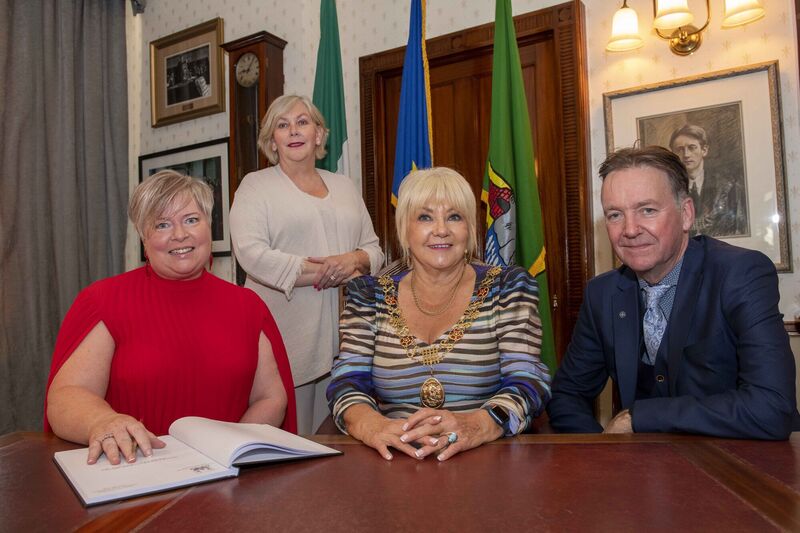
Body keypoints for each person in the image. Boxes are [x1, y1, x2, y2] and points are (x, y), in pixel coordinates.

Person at [45, 170, 297, 465]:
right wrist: (102, 421)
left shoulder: (248, 306)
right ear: (144, 238)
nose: (179, 234)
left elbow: (271, 398)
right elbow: (66, 396)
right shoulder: (103, 300)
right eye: (162, 224)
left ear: (209, 226)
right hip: (133, 470)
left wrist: (230, 450)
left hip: (227, 474)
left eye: (191, 220)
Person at [547, 146, 798, 439]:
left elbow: (772, 407)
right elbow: (566, 395)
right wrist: (605, 453)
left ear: (686, 214)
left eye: (647, 210)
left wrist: (638, 417)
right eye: (615, 215)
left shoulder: (740, 274)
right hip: (642, 464)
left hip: (737, 460)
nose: (630, 229)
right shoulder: (602, 294)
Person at [326, 167, 551, 461]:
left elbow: (528, 381)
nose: (441, 229)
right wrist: (374, 426)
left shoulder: (507, 288)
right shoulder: (369, 295)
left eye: (455, 217)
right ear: (404, 230)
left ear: (470, 229)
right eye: (425, 217)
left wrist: (478, 424)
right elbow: (346, 382)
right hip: (395, 459)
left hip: (487, 457)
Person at [229, 94, 384, 435]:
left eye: (302, 122)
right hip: (284, 331)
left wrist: (351, 260)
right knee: (290, 440)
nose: (294, 131)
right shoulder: (255, 186)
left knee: (336, 438)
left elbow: (374, 250)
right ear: (272, 141)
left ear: (319, 133)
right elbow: (252, 254)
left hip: (348, 334)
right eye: (282, 125)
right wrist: (328, 271)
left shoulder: (344, 185)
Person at [669, 124, 747, 237]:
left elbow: (739, 227)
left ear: (704, 150)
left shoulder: (728, 185)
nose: (686, 154)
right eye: (680, 149)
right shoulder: (667, 189)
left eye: (692, 147)